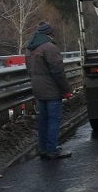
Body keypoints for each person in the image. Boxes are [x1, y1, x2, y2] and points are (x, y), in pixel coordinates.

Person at [25, 21, 72, 160]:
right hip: (51, 89)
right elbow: (58, 71)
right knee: (54, 119)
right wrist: (65, 89)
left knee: (43, 119)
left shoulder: (29, 48)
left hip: (38, 88)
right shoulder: (50, 47)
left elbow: (29, 69)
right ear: (49, 34)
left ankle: (44, 148)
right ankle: (52, 149)